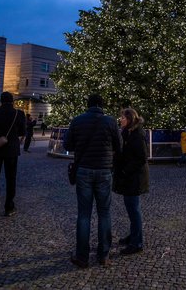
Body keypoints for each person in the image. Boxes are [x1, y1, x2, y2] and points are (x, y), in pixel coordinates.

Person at [64, 94, 121, 268]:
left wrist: (80, 145)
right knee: (104, 213)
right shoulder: (110, 122)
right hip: (104, 170)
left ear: (88, 105)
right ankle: (103, 254)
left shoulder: (77, 120)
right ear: (102, 105)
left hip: (84, 170)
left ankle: (82, 256)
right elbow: (119, 146)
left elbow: (67, 145)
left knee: (84, 214)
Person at [113, 107, 149, 256]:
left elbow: (141, 157)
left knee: (134, 210)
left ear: (130, 119)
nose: (120, 120)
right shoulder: (127, 133)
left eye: (123, 118)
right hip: (129, 176)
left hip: (134, 177)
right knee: (131, 208)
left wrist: (125, 170)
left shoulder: (137, 134)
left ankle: (137, 242)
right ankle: (133, 235)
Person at [0, 91, 25, 217]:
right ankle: (9, 207)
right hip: (11, 149)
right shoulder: (18, 114)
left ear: (1, 101)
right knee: (11, 178)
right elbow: (22, 131)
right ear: (12, 101)